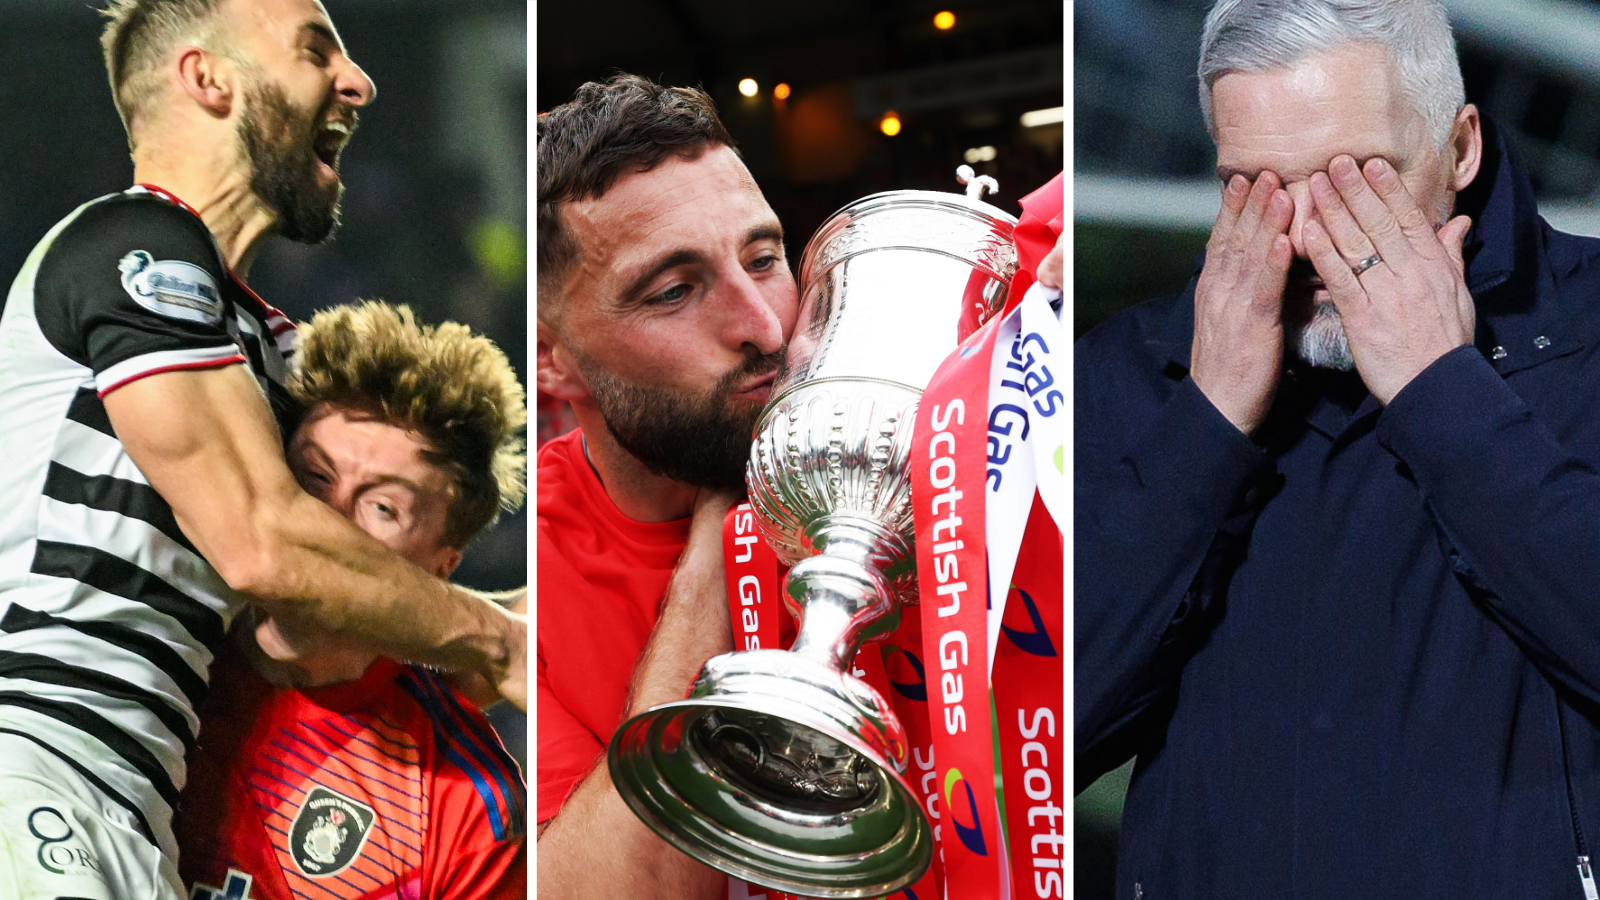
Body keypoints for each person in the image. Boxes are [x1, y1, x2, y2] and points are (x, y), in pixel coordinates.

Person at [1075, 0, 1600, 897]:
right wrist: (1207, 423)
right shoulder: (1130, 369)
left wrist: (1443, 390)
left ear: (1461, 147)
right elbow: (1042, 742)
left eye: (1357, 180)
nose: (1311, 238)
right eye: (1257, 189)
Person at [0, 1, 523, 897]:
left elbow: (363, 567)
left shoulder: (256, 339)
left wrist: (509, 614)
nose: (356, 80)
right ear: (209, 79)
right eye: (317, 50)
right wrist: (500, 641)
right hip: (33, 760)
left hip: (131, 810)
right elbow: (263, 542)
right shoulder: (134, 247)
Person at [533, 73, 796, 899]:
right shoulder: (513, 572)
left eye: (764, 258)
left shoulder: (917, 465)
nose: (763, 327)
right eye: (676, 291)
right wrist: (725, 520)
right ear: (551, 358)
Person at [177, 301, 527, 900]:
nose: (327, 524)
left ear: (443, 568)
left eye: (382, 507)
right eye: (314, 479)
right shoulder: (139, 652)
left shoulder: (464, 802)